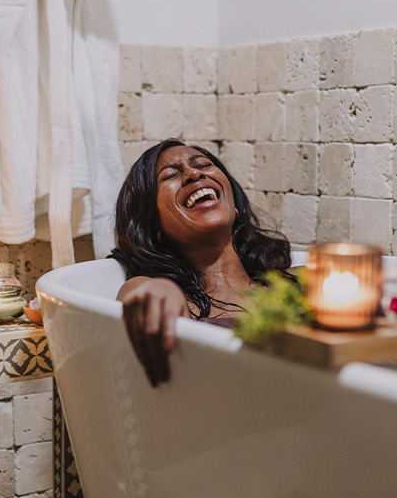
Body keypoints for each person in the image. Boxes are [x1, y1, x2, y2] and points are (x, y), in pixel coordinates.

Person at [110, 139, 293, 386]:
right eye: (170, 176)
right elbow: (140, 296)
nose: (194, 174)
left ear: (236, 206)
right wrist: (160, 290)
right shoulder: (158, 292)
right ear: (152, 225)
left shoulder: (292, 283)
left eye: (204, 165)